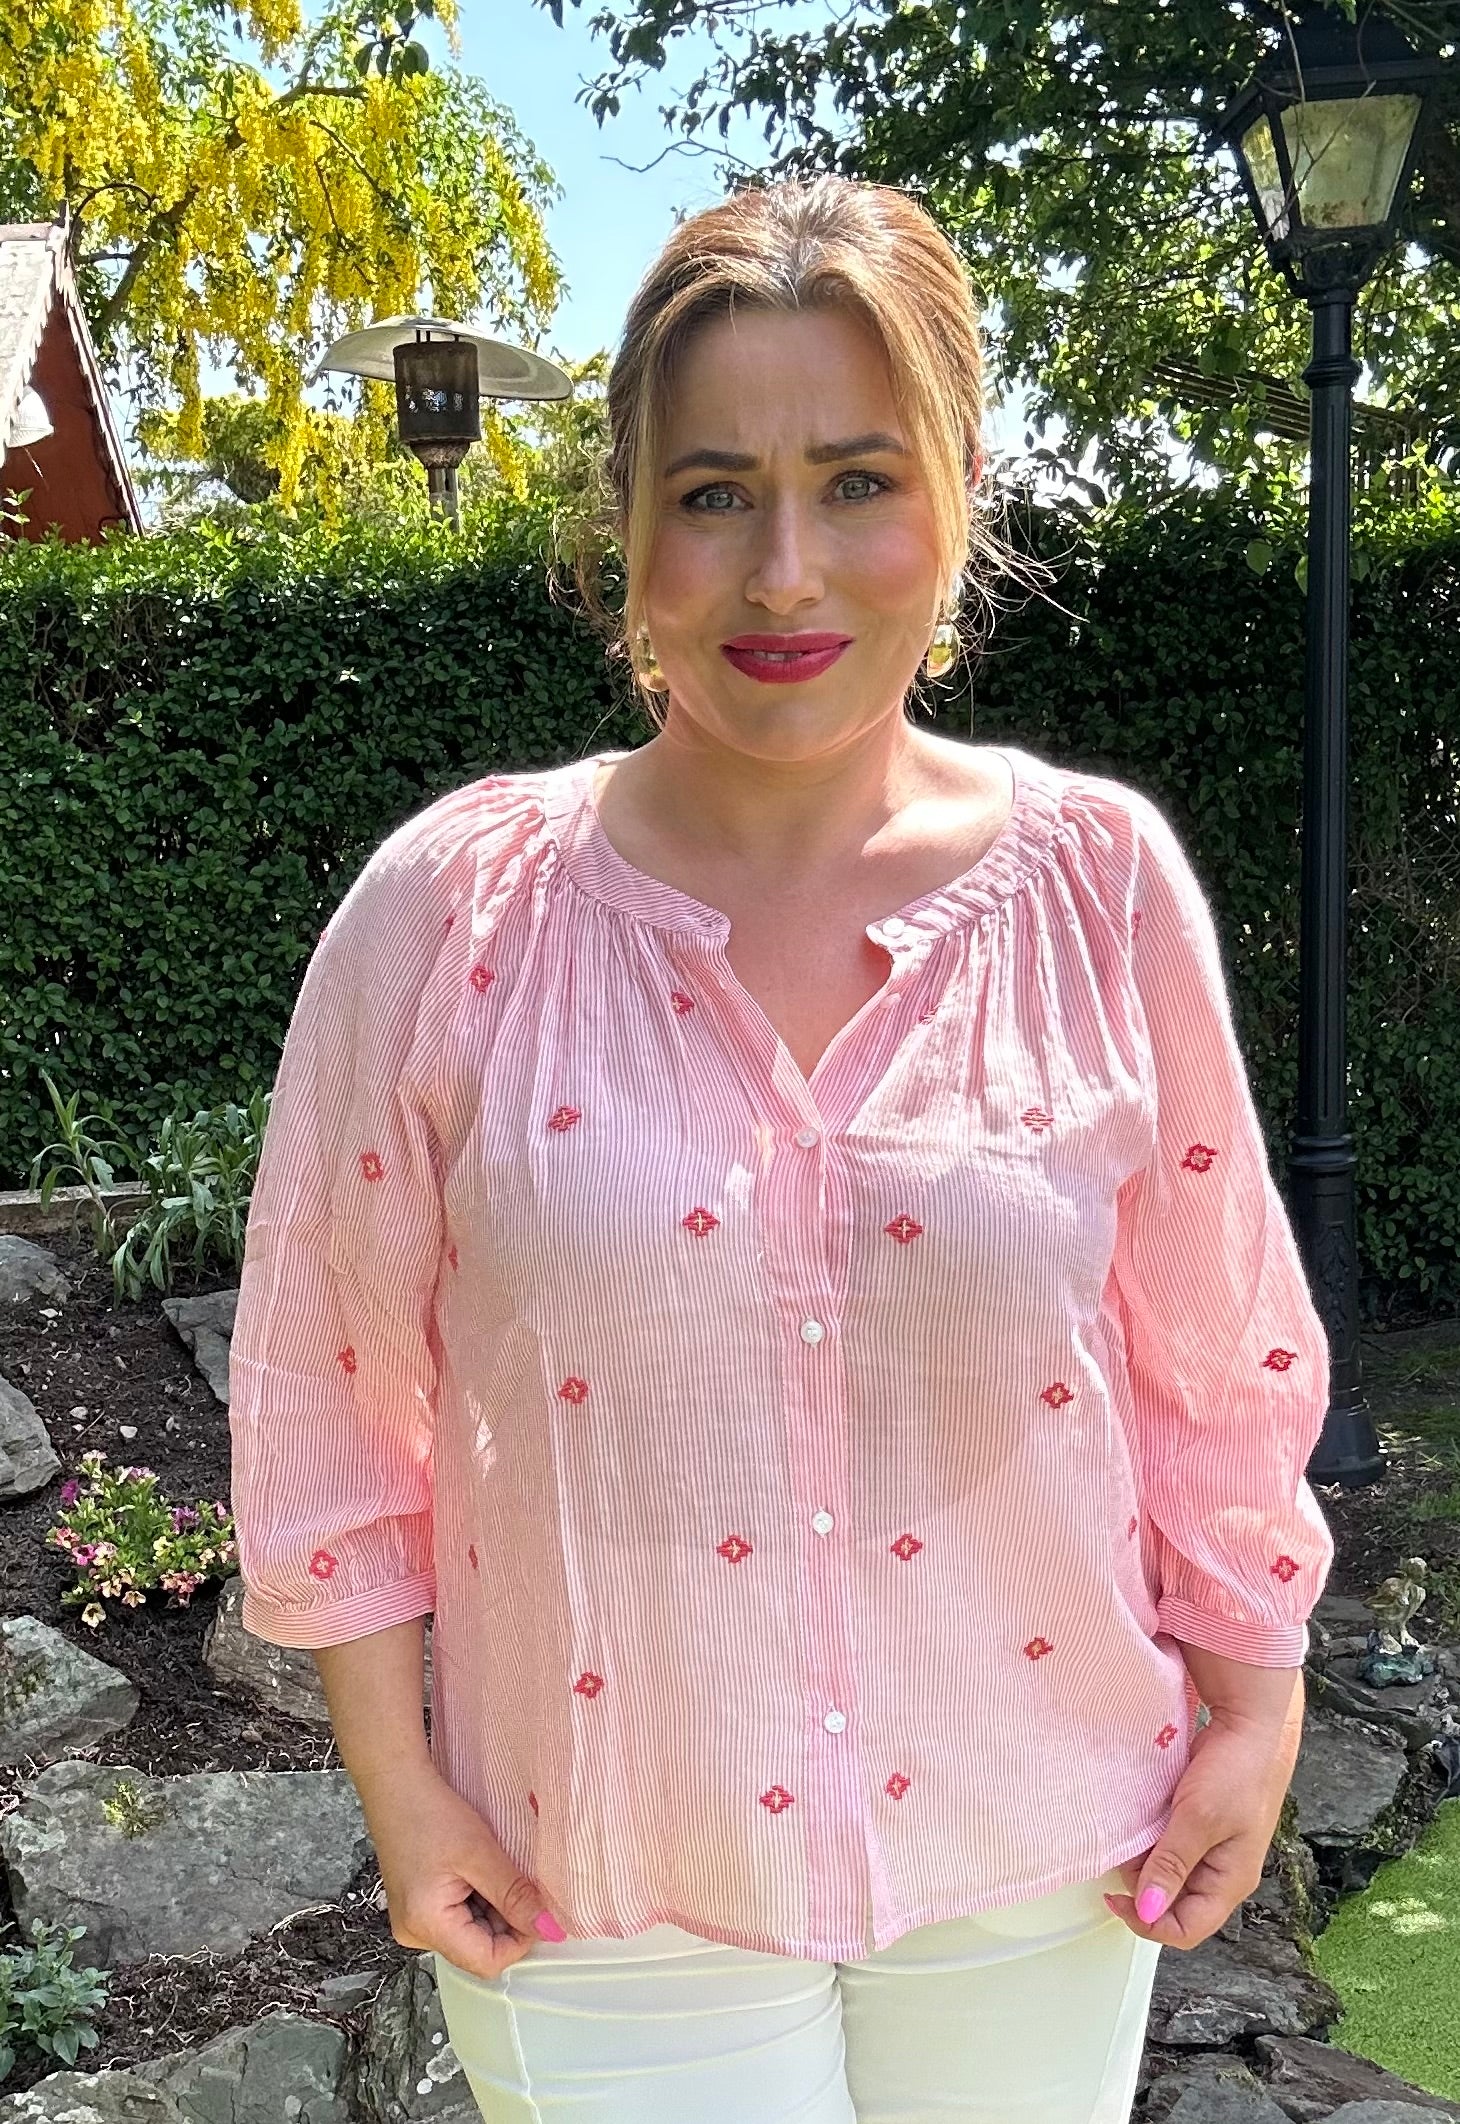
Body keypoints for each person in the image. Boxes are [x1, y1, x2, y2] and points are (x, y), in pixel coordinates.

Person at [228, 174, 1335, 2123]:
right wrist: (397, 1781)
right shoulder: (454, 915)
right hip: (596, 1868)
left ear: (958, 497)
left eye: (858, 480)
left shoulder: (1099, 891)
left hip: (1037, 1840)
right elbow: (330, 1386)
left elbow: (1211, 1346)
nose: (786, 573)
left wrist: (1256, 1701)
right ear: (629, 525)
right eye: (716, 491)